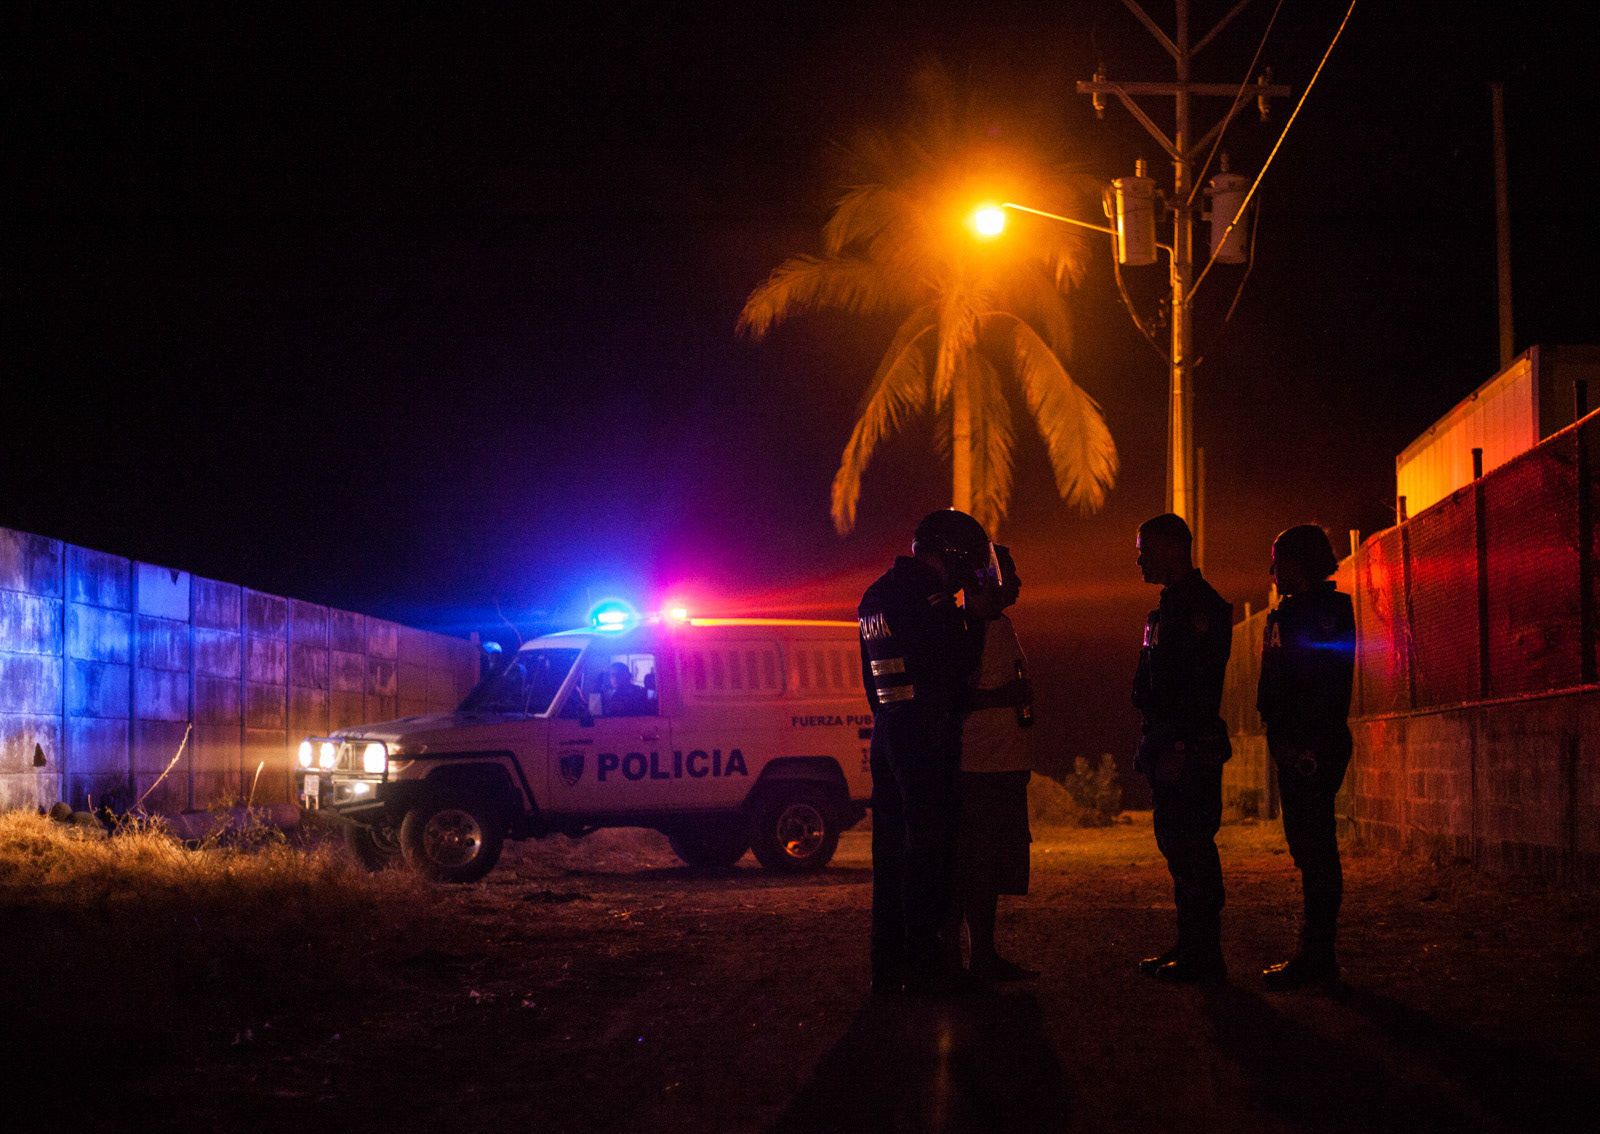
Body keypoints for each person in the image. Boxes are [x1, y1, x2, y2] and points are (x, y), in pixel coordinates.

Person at [859, 508, 989, 995]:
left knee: (888, 850)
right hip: (925, 735)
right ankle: (924, 966)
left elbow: (871, 682)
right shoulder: (929, 599)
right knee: (929, 850)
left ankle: (885, 963)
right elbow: (958, 672)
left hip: (888, 729)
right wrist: (973, 624)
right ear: (950, 553)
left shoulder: (875, 594)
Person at [1132, 513, 1234, 982]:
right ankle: (1189, 944)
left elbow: (1193, 686)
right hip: (1168, 741)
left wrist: (1177, 744)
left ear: (1173, 549)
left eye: (1146, 550)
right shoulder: (1169, 606)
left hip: (1187, 746)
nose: (1139, 560)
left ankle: (1204, 952)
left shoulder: (1200, 607)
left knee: (1192, 845)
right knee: (1176, 845)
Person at [1256, 524, 1356, 988]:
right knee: (1309, 846)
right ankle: (1315, 950)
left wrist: (1300, 743)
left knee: (1316, 849)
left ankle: (1318, 954)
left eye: (1277, 560)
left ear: (1296, 563)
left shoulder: (1322, 614)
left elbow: (1321, 686)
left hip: (1311, 745)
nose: (1272, 570)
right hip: (1297, 743)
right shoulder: (1295, 613)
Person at [949, 543, 1037, 982]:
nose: (1018, 582)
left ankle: (985, 952)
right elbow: (953, 700)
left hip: (1003, 766)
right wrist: (1004, 697)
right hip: (980, 769)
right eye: (1011, 573)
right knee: (978, 867)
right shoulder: (969, 631)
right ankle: (976, 955)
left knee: (994, 866)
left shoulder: (1000, 626)